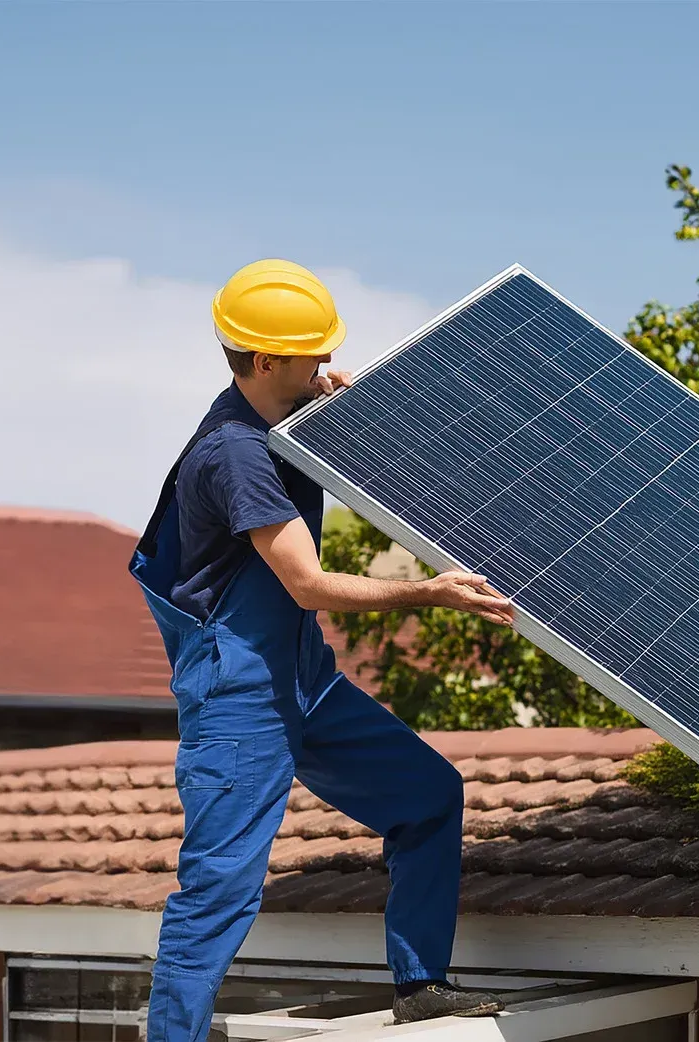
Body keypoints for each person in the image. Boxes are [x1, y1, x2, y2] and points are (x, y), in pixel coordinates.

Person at [130, 259, 518, 1040]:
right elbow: (305, 584)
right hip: (239, 696)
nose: (325, 364)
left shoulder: (279, 412)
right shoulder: (233, 451)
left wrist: (343, 411)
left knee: (428, 795)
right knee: (218, 894)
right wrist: (429, 590)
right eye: (310, 354)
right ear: (265, 359)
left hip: (300, 681)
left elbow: (321, 425)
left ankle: (420, 983)